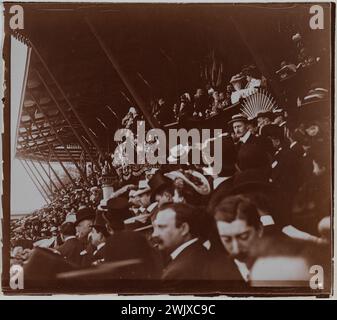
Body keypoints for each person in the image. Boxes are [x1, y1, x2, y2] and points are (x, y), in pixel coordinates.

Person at [151, 203, 209, 288]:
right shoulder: (201, 251)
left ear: (184, 228)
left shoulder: (177, 273)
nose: (154, 234)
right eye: (155, 228)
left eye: (161, 227)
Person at [212, 195, 264, 283]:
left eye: (244, 237)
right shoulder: (214, 274)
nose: (236, 249)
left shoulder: (284, 263)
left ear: (259, 229)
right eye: (227, 240)